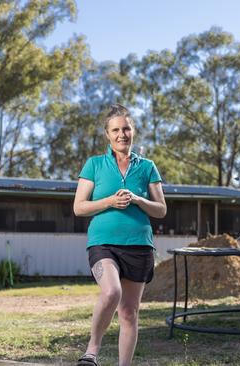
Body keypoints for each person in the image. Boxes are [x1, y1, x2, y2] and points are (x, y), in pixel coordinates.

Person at [73, 104, 166, 366]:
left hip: (139, 245)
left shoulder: (147, 167)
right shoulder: (95, 165)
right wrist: (110, 202)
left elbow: (161, 210)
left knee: (128, 313)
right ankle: (92, 350)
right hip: (103, 243)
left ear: (133, 131)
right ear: (107, 134)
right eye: (115, 130)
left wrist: (137, 199)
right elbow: (79, 207)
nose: (121, 134)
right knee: (111, 292)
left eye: (126, 128)